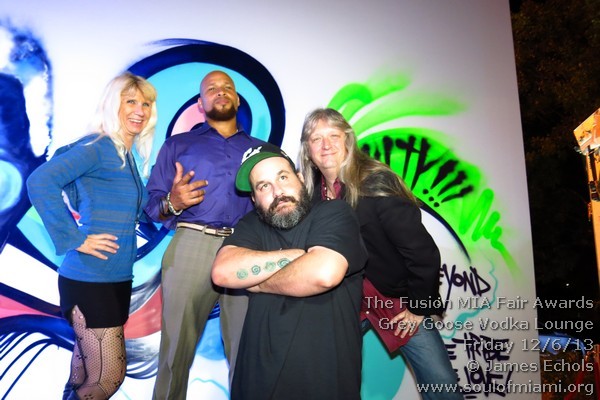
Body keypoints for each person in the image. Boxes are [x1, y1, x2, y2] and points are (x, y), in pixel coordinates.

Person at [299, 108, 463, 399]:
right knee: (322, 377)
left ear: (348, 141)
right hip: (345, 301)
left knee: (441, 384)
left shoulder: (375, 181)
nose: (326, 145)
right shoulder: (312, 194)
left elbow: (422, 251)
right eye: (316, 139)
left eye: (334, 136)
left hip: (394, 300)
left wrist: (419, 307)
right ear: (308, 150)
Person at [26, 72, 157, 400]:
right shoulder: (98, 147)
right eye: (131, 101)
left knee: (82, 376)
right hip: (89, 278)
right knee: (108, 378)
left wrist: (172, 204)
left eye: (146, 104)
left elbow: (136, 211)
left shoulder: (126, 156)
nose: (139, 110)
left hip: (116, 278)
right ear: (114, 105)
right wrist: (75, 238)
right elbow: (40, 181)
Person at [211, 143, 367, 400]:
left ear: (301, 179)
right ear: (254, 199)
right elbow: (223, 272)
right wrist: (299, 256)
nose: (278, 191)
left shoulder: (334, 212)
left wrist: (259, 283)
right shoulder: (251, 225)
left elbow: (324, 272)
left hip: (324, 384)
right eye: (264, 186)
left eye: (283, 177)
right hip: (255, 385)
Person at [144, 70, 265, 399]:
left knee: (248, 352)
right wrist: (173, 201)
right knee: (175, 352)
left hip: (245, 249)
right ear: (201, 102)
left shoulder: (262, 152)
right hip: (191, 245)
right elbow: (152, 206)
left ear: (237, 99)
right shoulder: (177, 145)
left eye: (227, 87)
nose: (220, 92)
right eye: (212, 88)